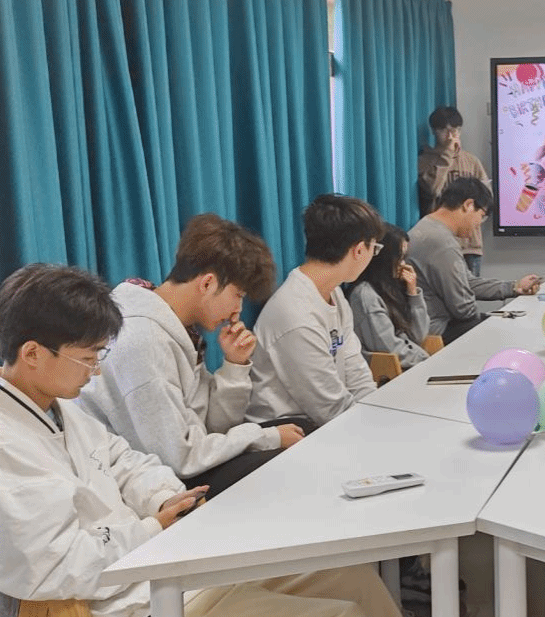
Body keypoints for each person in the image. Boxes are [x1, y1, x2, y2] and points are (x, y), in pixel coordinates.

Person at [0, 264, 499, 617]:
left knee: (345, 577)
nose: (96, 372)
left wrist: (162, 500)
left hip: (158, 570)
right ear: (32, 353)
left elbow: (130, 462)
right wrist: (150, 528)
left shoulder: (58, 408)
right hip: (118, 612)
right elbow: (49, 569)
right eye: (88, 357)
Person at [78, 214, 304, 498]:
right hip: (146, 483)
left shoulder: (177, 326)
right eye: (238, 295)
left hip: (181, 457)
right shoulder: (143, 340)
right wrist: (265, 437)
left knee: (299, 430)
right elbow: (177, 457)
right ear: (207, 283)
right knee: (281, 460)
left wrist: (234, 365)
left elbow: (213, 426)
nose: (237, 311)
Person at [248, 194, 382, 427]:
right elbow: (329, 407)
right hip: (289, 432)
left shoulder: (334, 292)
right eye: (375, 248)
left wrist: (376, 408)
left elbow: (355, 371)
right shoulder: (296, 314)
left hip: (325, 421)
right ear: (360, 250)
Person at [408, 177, 542, 343]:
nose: (479, 224)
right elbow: (464, 309)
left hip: (430, 325)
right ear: (468, 205)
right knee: (512, 331)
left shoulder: (428, 227)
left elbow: (467, 283)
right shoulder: (441, 243)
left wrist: (514, 287)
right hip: (437, 331)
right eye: (482, 216)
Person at [347, 224, 432, 370]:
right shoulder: (365, 296)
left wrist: (413, 293)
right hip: (390, 373)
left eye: (404, 258)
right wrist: (426, 361)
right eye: (399, 258)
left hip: (409, 365)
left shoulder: (392, 288)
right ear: (383, 258)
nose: (403, 264)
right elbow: (390, 349)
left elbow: (419, 336)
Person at [418, 106, 490, 277]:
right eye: (444, 130)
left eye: (455, 130)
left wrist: (473, 222)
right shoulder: (425, 160)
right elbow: (433, 190)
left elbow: (487, 199)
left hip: (470, 246)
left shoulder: (471, 161)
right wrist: (447, 156)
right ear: (434, 131)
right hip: (440, 243)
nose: (450, 136)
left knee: (472, 289)